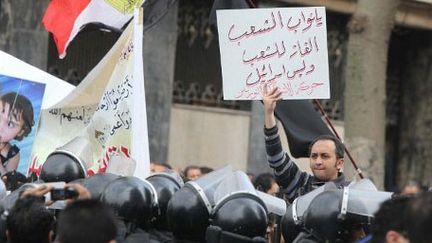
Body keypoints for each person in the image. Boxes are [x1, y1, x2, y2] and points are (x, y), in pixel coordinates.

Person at [262, 85, 349, 203]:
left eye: (325, 156)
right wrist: (269, 112)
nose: (318, 161)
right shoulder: (300, 184)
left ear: (339, 163)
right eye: (314, 156)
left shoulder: (350, 193)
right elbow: (276, 159)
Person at [0, 92, 34, 175]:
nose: (0, 127)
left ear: (20, 132)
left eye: (10, 124)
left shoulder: (13, 154)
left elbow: (8, 184)